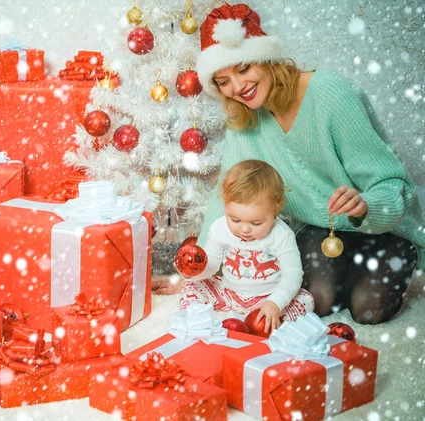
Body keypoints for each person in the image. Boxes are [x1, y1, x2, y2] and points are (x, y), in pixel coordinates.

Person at [188, 3, 423, 325]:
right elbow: (227, 194)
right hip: (319, 228)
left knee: (369, 310)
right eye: (223, 80)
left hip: (382, 227)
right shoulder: (244, 119)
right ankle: (346, 271)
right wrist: (198, 265)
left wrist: (364, 205)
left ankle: (392, 259)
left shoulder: (331, 94)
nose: (238, 87)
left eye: (243, 69)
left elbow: (391, 182)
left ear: (265, 58)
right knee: (318, 301)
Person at [179, 160, 315, 332]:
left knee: (306, 299)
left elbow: (293, 273)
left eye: (256, 223)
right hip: (228, 292)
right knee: (191, 285)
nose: (244, 229)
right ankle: (197, 320)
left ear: (275, 210)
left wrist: (275, 302)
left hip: (266, 298)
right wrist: (196, 270)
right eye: (234, 219)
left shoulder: (282, 234)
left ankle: (268, 320)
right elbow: (212, 264)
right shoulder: (219, 228)